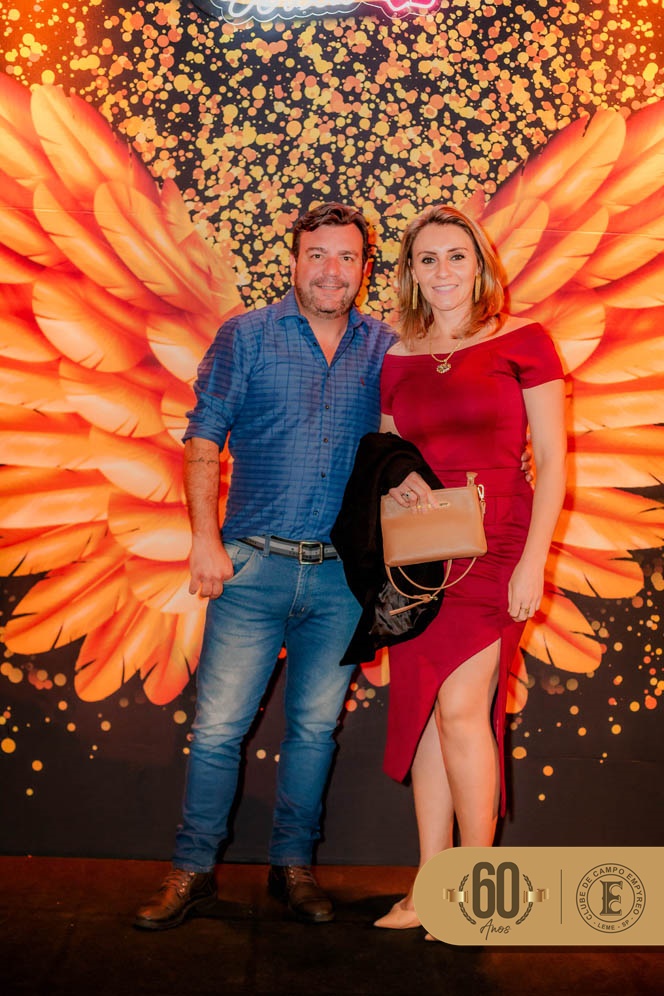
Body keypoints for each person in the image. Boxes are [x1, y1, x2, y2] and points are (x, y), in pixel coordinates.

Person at [133, 202, 396, 930]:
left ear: (365, 267)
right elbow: (202, 438)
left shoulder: (387, 346)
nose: (331, 271)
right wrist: (204, 540)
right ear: (294, 260)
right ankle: (192, 871)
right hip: (251, 569)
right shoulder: (245, 335)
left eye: (347, 257)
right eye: (318, 255)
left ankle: (293, 867)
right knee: (219, 730)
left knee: (313, 732)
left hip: (342, 579)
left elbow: (419, 438)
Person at [372, 204, 566, 933]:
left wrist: (534, 562)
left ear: (481, 265)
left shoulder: (525, 341)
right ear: (411, 273)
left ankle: (479, 894)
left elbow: (554, 464)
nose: (443, 271)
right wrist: (396, 481)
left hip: (498, 546)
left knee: (460, 710)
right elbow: (389, 455)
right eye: (427, 259)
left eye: (457, 256)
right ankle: (430, 886)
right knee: (427, 711)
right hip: (422, 553)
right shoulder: (398, 356)